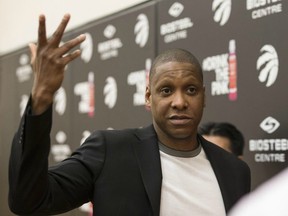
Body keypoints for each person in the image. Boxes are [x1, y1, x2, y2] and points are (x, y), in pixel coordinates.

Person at [8, 14, 251, 216]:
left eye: (191, 90)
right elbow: (29, 201)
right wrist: (42, 96)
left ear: (204, 96)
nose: (179, 102)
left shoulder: (235, 171)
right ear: (148, 97)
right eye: (166, 90)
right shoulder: (110, 151)